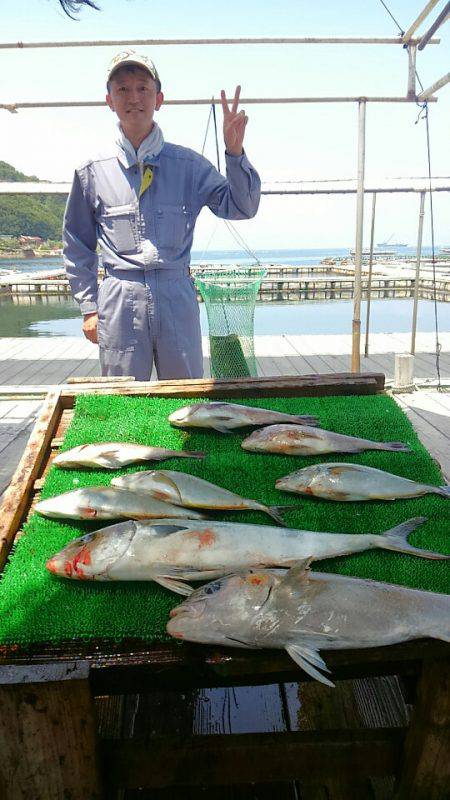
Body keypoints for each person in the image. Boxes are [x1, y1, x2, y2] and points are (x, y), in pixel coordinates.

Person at [63, 50, 261, 381]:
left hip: (175, 294)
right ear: (109, 100)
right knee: (123, 401)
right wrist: (90, 307)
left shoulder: (190, 166)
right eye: (122, 89)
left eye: (143, 88)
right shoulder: (91, 172)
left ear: (159, 99)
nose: (134, 98)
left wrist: (235, 153)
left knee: (187, 395)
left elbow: (242, 207)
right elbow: (76, 243)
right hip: (120, 299)